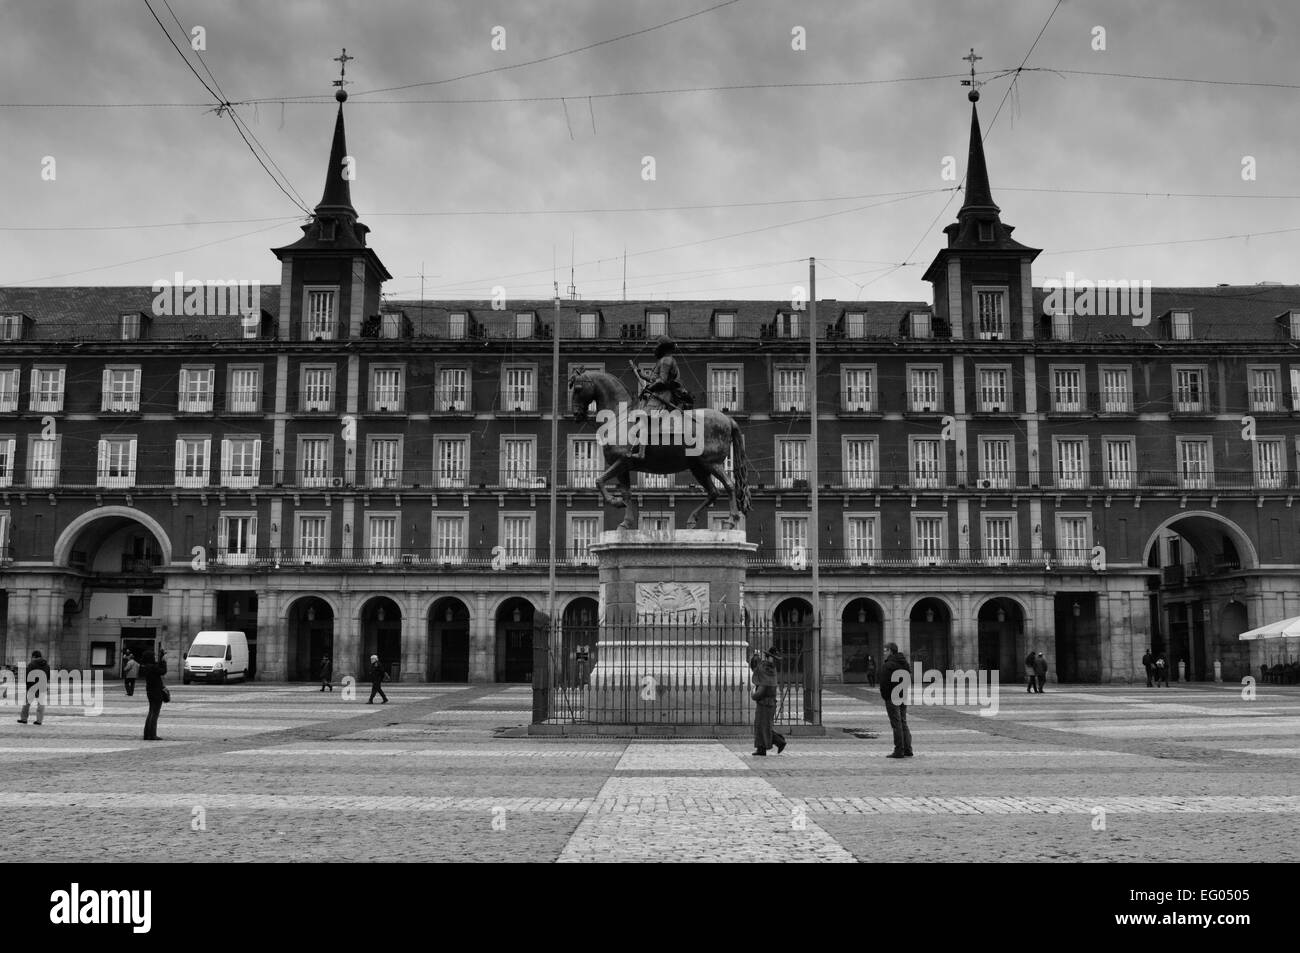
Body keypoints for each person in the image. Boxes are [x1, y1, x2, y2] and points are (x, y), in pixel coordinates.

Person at [626, 335, 694, 461]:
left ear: (663, 348)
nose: (655, 348)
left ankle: (641, 453)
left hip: (663, 395)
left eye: (657, 345)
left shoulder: (666, 361)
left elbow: (661, 381)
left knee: (643, 417)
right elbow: (654, 378)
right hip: (660, 393)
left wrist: (650, 388)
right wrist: (640, 374)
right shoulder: (663, 360)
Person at [748, 648, 786, 756]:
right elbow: (755, 668)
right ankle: (761, 749)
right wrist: (755, 657)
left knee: (764, 726)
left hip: (767, 702)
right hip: (763, 702)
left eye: (774, 659)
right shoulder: (765, 667)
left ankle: (780, 742)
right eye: (772, 658)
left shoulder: (769, 670)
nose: (773, 661)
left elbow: (764, 688)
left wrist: (754, 696)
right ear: (768, 657)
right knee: (760, 726)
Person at [879, 642, 913, 758]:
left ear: (890, 651)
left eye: (885, 650)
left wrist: (885, 695)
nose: (884, 653)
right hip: (902, 695)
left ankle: (899, 750)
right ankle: (908, 749)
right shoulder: (904, 663)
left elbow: (884, 683)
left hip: (892, 697)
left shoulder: (888, 665)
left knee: (896, 724)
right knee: (903, 722)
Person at [139, 648, 168, 741]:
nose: (154, 657)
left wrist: (160, 658)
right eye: (153, 656)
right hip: (156, 692)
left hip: (150, 691)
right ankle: (152, 735)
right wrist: (163, 661)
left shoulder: (146, 666)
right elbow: (163, 671)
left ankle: (147, 734)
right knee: (154, 714)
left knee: (151, 712)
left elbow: (157, 668)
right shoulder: (152, 667)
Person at [17, 650, 51, 726]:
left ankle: (24, 719)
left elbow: (28, 676)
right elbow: (48, 677)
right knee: (41, 704)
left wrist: (28, 687)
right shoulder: (47, 665)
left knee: (26, 704)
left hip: (32, 687)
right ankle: (39, 721)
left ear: (34, 657)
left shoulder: (31, 664)